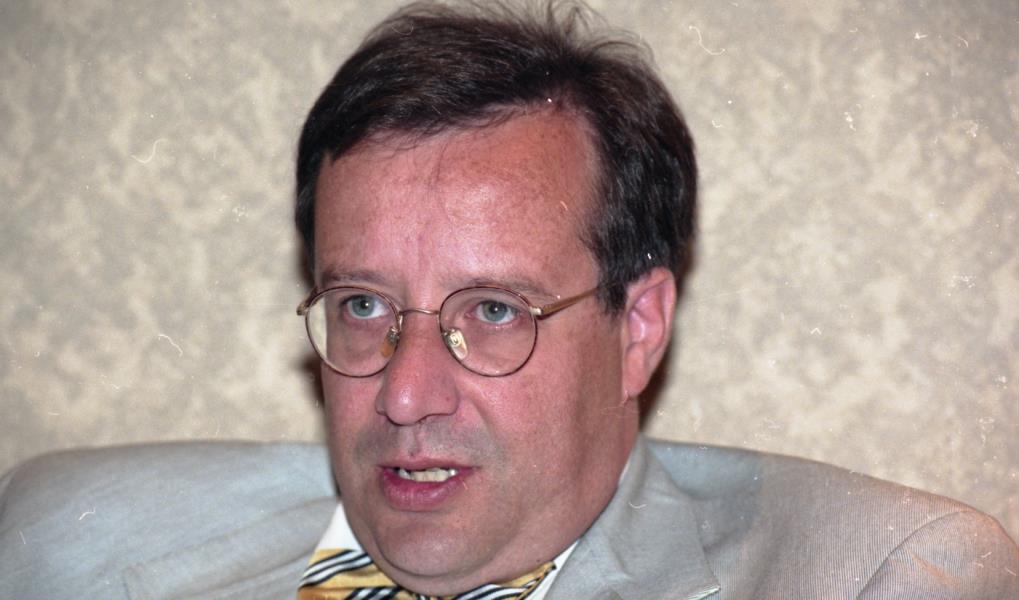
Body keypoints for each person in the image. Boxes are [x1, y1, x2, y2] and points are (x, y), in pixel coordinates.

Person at [0, 2, 1016, 599]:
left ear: (638, 328)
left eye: (491, 311)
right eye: (363, 305)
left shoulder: (881, 575)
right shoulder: (64, 534)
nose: (404, 395)